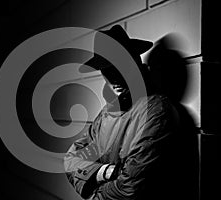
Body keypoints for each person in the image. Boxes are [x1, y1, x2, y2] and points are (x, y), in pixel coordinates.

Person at [64, 26, 199, 200]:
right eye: (106, 70)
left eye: (119, 67)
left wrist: (92, 192)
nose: (113, 77)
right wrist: (103, 172)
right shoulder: (107, 114)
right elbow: (71, 160)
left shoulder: (156, 112)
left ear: (135, 63)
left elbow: (128, 189)